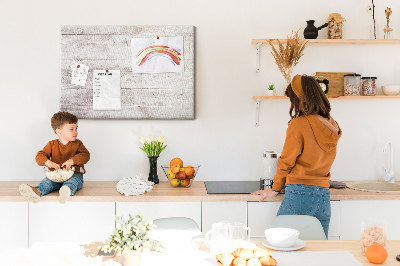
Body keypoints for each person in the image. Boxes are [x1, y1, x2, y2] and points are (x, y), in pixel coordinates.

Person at [252, 75, 342, 238]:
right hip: (323, 196)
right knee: (318, 251)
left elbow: (286, 161)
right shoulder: (332, 124)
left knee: (279, 244)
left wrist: (275, 188)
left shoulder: (299, 124)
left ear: (300, 99)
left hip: (300, 194)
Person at [19, 111, 90, 204]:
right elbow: (40, 156)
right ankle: (36, 192)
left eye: (76, 128)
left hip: (74, 174)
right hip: (55, 176)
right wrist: (48, 162)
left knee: (73, 182)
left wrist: (72, 161)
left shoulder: (78, 144)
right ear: (59, 131)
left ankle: (66, 191)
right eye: (71, 129)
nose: (75, 132)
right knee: (46, 183)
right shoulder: (52, 144)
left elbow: (85, 155)